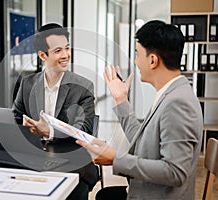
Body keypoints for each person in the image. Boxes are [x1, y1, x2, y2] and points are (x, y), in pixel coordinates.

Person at [77, 20, 203, 199]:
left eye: (137, 54)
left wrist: (115, 159)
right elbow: (143, 141)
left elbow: (175, 172)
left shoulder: (177, 103)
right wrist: (121, 100)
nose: (135, 62)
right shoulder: (170, 93)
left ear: (152, 60)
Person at [12, 23, 98, 200]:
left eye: (67, 48)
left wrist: (49, 131)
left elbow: (84, 131)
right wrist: (24, 127)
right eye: (58, 51)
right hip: (33, 158)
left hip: (72, 161)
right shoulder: (27, 83)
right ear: (42, 55)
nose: (66, 55)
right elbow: (14, 117)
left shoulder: (83, 87)